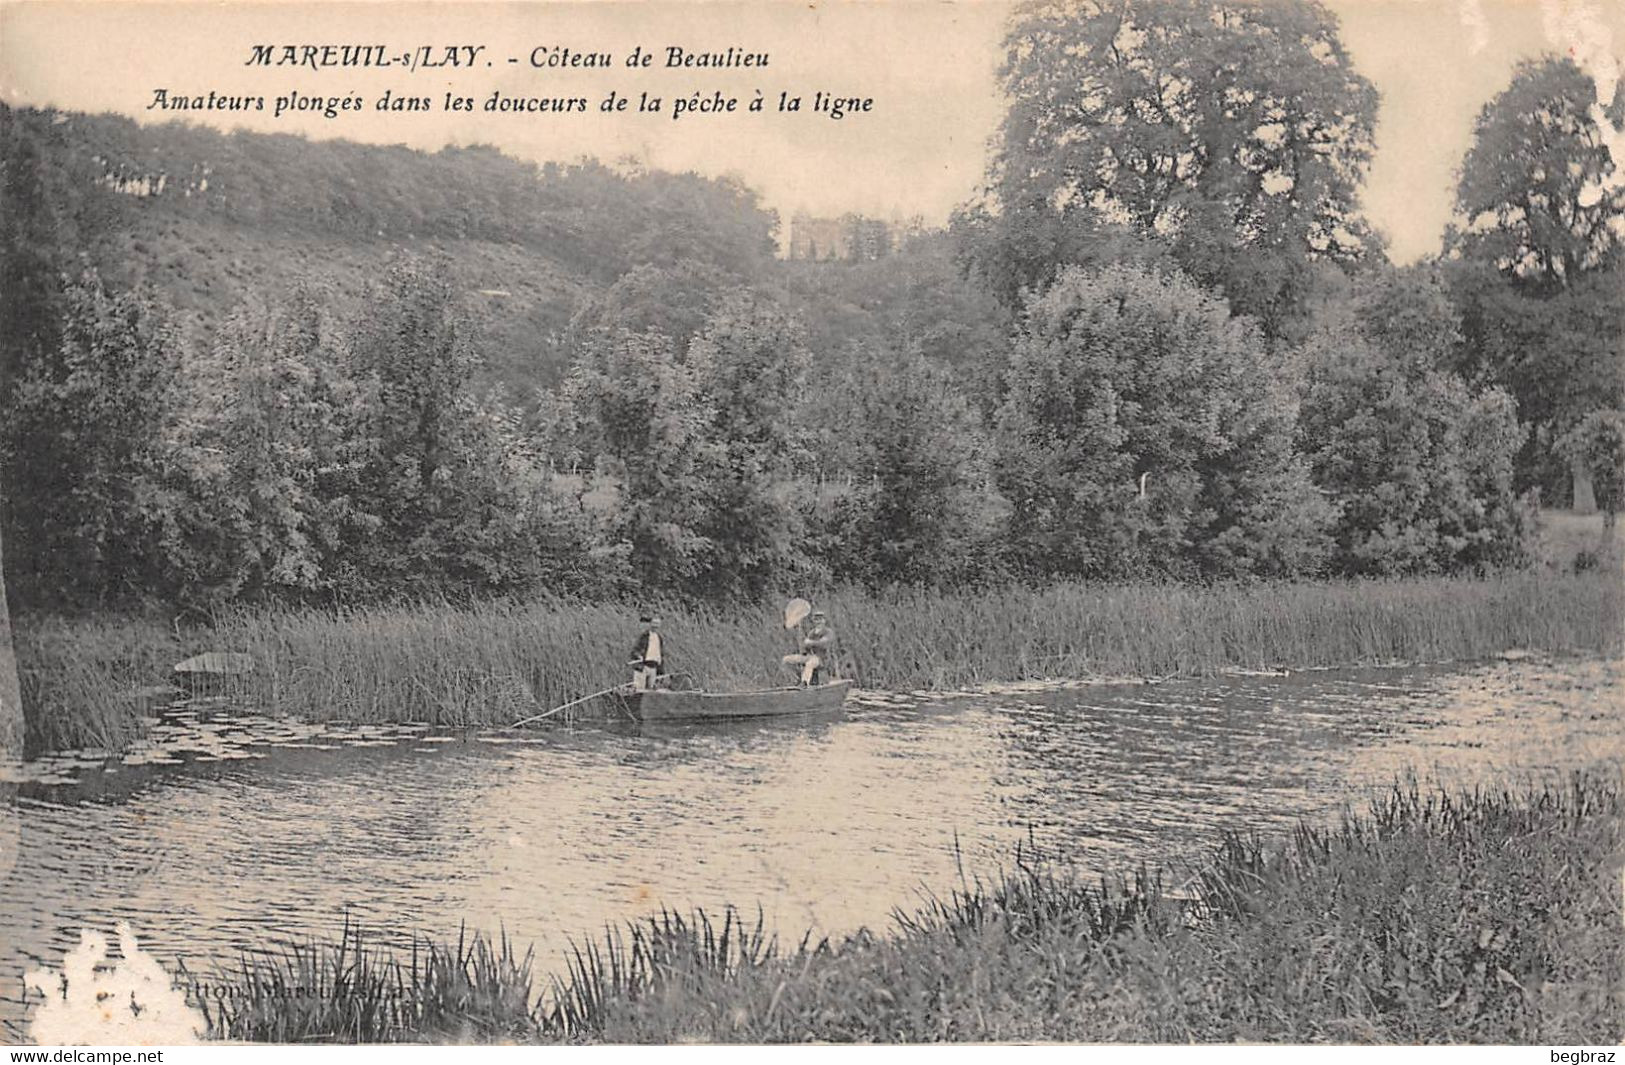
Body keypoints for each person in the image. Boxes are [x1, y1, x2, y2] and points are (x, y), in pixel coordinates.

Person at [782, 608, 839, 686]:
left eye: (821, 619)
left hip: (823, 659)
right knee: (786, 660)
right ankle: (795, 680)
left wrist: (810, 642)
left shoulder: (828, 632)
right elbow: (806, 649)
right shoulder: (811, 633)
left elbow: (824, 643)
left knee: (811, 662)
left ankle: (804, 683)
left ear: (824, 621)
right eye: (816, 620)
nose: (818, 622)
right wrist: (803, 643)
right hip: (811, 656)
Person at [628, 614, 666, 691]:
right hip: (643, 666)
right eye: (654, 623)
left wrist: (661, 669)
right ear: (650, 624)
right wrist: (639, 656)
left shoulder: (659, 638)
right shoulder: (644, 636)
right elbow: (634, 650)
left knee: (652, 691)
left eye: (658, 624)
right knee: (639, 690)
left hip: (654, 667)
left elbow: (660, 654)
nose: (655, 626)